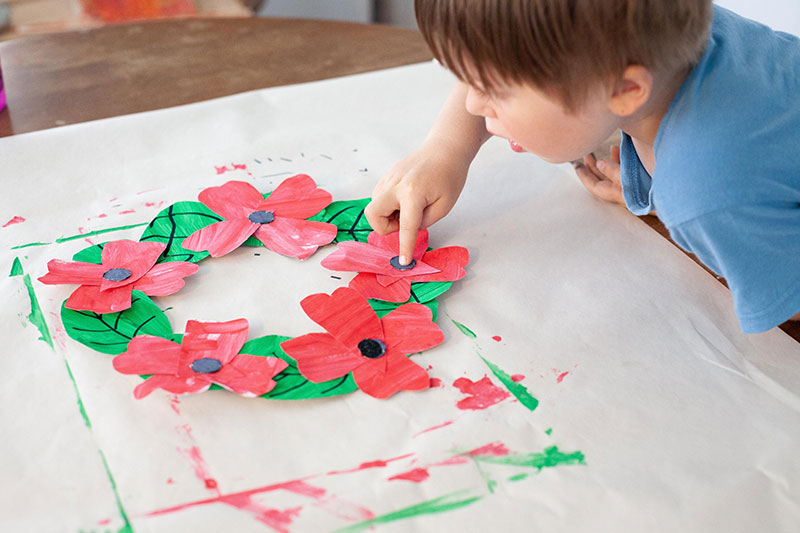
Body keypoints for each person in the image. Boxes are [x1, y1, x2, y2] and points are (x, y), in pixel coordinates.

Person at [364, 0, 800, 334]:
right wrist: (446, 148)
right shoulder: (664, 32)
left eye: (494, 89)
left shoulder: (706, 195)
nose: (474, 103)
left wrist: (677, 205)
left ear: (625, 89)